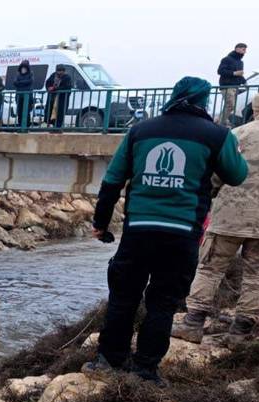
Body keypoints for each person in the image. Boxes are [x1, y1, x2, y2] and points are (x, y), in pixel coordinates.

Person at [85, 77, 248, 383]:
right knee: (162, 302)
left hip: (138, 230)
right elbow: (237, 175)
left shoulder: (140, 131)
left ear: (173, 96)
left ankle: (108, 361)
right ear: (204, 101)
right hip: (182, 232)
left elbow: (112, 182)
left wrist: (101, 224)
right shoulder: (217, 135)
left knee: (123, 296)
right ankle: (146, 370)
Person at [174, 86, 259, 343]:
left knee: (210, 268)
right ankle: (241, 332)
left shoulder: (237, 134)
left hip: (229, 217)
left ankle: (193, 322)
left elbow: (215, 177)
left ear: (257, 108)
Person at [217, 43, 248, 127]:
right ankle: (219, 124)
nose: (245, 52)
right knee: (230, 105)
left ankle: (220, 121)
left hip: (235, 87)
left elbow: (239, 74)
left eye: (245, 50)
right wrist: (234, 73)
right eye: (243, 49)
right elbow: (220, 71)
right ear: (237, 49)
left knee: (229, 106)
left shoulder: (240, 62)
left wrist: (245, 82)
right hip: (226, 86)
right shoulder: (227, 59)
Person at [45, 65, 72, 130]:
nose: (59, 73)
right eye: (58, 71)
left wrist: (54, 88)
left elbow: (67, 87)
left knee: (60, 113)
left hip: (61, 99)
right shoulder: (53, 75)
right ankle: (51, 125)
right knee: (50, 112)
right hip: (52, 98)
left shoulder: (67, 77)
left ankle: (58, 128)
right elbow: (47, 83)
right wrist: (49, 88)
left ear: (64, 71)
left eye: (61, 71)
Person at [11, 60, 35, 130]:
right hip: (19, 95)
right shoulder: (18, 74)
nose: (23, 69)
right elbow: (15, 82)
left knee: (26, 111)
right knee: (19, 111)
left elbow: (30, 82)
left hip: (28, 96)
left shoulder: (31, 74)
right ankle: (20, 126)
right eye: (22, 67)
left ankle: (26, 126)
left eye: (25, 67)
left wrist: (20, 83)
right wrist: (24, 83)